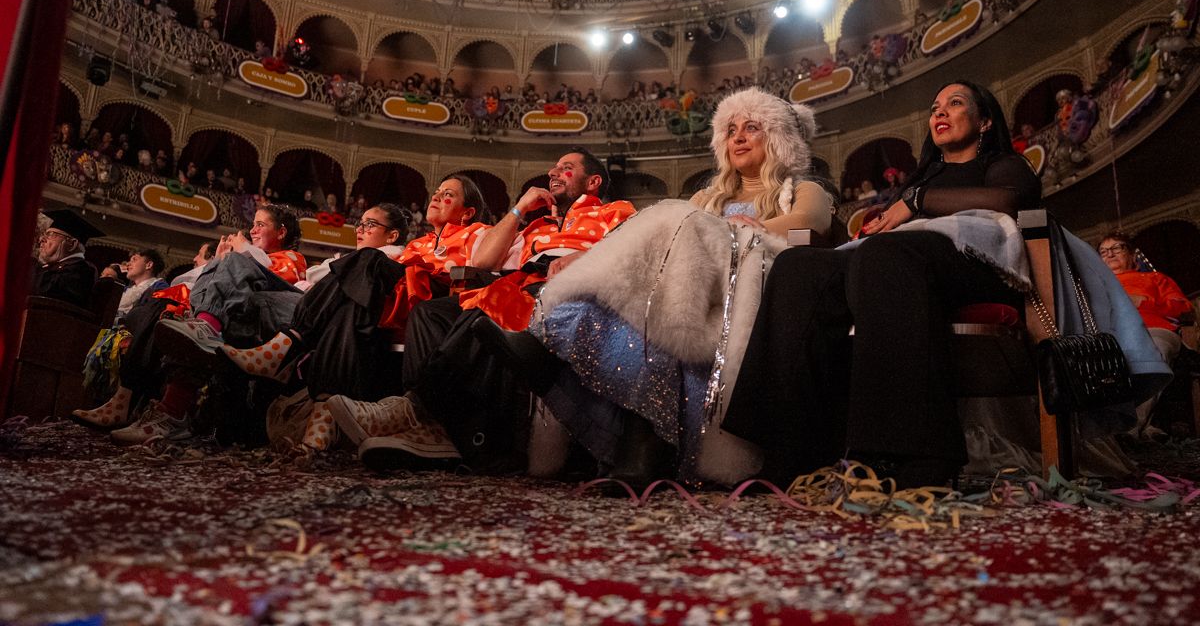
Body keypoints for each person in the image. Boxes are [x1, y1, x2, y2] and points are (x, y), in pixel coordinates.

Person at [479, 88, 832, 486]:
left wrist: (752, 228)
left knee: (674, 220)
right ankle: (623, 430)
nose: (738, 137)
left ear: (780, 138)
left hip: (748, 282)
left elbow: (811, 223)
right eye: (731, 130)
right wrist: (592, 256)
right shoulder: (706, 196)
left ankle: (556, 358)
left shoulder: (802, 190)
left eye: (752, 127)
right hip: (690, 288)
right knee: (636, 296)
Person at [721, 80, 1044, 490]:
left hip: (975, 262)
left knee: (884, 254)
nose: (940, 112)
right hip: (897, 264)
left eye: (955, 103)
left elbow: (1011, 202)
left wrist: (917, 202)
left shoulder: (1001, 164)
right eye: (935, 107)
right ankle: (791, 452)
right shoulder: (923, 177)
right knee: (797, 266)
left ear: (984, 122)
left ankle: (913, 455)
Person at [330, 149, 635, 470]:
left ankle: (417, 412)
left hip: (572, 286)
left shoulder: (613, 211)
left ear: (593, 181)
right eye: (554, 167)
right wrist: (520, 207)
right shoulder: (537, 225)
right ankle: (437, 429)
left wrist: (586, 257)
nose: (552, 172)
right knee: (430, 313)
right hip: (519, 284)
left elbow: (637, 246)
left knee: (492, 301)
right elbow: (483, 261)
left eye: (566, 167)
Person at [218, 179, 491, 452]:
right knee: (346, 313)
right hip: (391, 298)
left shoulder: (477, 233)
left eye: (447, 194)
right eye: (437, 192)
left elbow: (483, 265)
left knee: (366, 261)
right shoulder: (420, 242)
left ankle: (287, 345)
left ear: (467, 212)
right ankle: (322, 421)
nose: (436, 197)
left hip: (428, 300)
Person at [105, 208, 306, 444]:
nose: (252, 230)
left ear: (281, 232)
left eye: (261, 225)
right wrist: (219, 262)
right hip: (239, 311)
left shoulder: (293, 258)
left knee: (230, 266)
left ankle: (171, 409)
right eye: (253, 224)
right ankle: (168, 408)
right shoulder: (246, 257)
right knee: (195, 314)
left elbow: (266, 283)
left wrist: (240, 253)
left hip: (274, 310)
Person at [71, 242, 214, 430]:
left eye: (135, 259)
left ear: (149, 265)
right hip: (142, 323)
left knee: (155, 312)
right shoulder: (129, 289)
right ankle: (120, 402)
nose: (194, 258)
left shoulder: (160, 285)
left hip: (183, 323)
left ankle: (126, 403)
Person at [1098, 231, 1191, 437]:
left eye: (1117, 248)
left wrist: (1145, 302)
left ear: (1133, 256)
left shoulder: (1155, 279)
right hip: (1112, 336)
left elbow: (1185, 310)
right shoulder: (1096, 286)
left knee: (1153, 349)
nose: (1110, 254)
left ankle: (1130, 428)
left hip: (1153, 331)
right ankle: (1136, 428)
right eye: (1103, 251)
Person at [32, 209, 102, 308]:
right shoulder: (53, 267)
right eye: (45, 235)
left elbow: (46, 291)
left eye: (50, 235)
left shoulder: (82, 270)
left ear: (72, 244)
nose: (41, 239)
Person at [115, 248, 167, 319]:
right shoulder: (124, 290)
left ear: (149, 265)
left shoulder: (159, 289)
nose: (128, 264)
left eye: (134, 260)